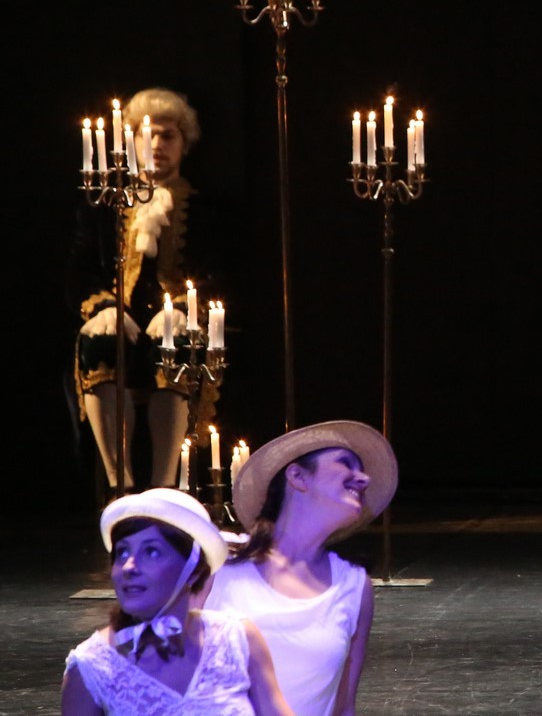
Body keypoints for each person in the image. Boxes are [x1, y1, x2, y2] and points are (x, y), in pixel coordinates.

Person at [68, 87, 224, 492]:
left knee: (174, 348)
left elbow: (216, 273)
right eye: (147, 135)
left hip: (175, 321)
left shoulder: (207, 210)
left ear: (184, 143)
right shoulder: (103, 206)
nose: (157, 145)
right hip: (118, 321)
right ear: (131, 141)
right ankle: (119, 485)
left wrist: (180, 310)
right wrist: (105, 307)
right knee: (99, 345)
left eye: (168, 135)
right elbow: (79, 271)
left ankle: (163, 487)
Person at [204, 420, 397, 715]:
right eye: (346, 463)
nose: (363, 478)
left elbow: (344, 707)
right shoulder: (220, 560)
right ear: (297, 476)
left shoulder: (354, 586)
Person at [62, 488, 293, 716]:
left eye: (151, 552)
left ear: (194, 571)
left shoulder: (236, 638)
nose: (129, 567)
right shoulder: (90, 666)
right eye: (122, 552)